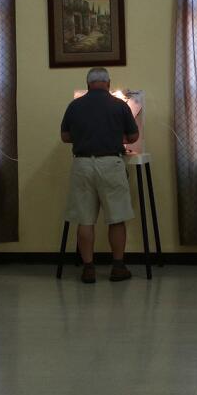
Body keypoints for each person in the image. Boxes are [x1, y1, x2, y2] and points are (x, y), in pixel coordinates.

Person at [61, 67, 140, 283]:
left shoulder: (75, 106)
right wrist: (116, 135)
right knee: (116, 217)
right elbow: (133, 136)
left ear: (88, 84)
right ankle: (118, 267)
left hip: (82, 164)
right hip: (111, 163)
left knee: (85, 220)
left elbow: (65, 136)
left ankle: (88, 268)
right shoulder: (119, 105)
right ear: (108, 83)